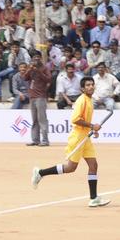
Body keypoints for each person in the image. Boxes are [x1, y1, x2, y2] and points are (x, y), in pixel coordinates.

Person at [31, 76, 109, 208]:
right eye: (88, 85)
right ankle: (40, 173)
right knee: (70, 168)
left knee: (93, 165)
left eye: (92, 84)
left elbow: (85, 120)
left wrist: (92, 129)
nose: (90, 87)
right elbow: (76, 119)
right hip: (78, 137)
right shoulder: (82, 101)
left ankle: (94, 198)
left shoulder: (90, 100)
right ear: (82, 89)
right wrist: (92, 126)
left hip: (85, 137)